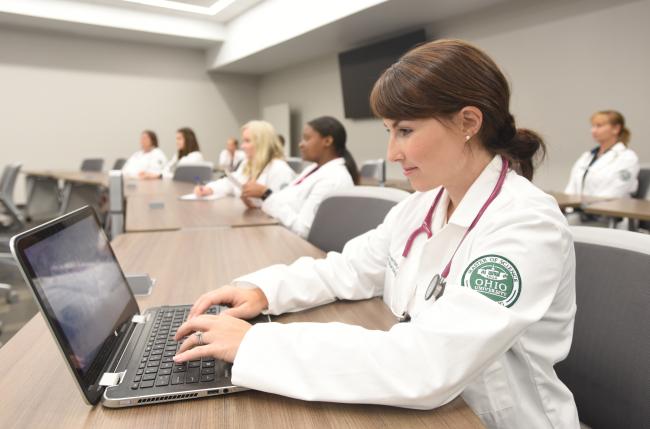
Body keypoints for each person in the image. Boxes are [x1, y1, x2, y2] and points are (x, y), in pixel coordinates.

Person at [174, 39, 579, 428]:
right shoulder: (421, 205)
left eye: (405, 131)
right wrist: (266, 291)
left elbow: (429, 364)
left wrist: (256, 345)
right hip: (429, 410)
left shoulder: (526, 223)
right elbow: (349, 269)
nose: (391, 153)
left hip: (494, 419)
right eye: (390, 131)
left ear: (468, 122)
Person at [240, 116, 358, 238]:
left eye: (306, 139)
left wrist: (266, 195)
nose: (300, 144)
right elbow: (287, 201)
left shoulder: (332, 179)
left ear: (327, 141)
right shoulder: (314, 169)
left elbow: (304, 231)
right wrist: (260, 201)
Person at [194, 121, 294, 206]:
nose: (242, 146)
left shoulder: (280, 169)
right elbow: (231, 182)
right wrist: (209, 189)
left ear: (262, 143)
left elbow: (282, 207)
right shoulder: (247, 164)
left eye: (247, 141)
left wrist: (258, 201)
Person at [565, 110, 639, 197]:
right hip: (578, 208)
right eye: (593, 126)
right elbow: (571, 188)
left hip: (609, 209)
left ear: (616, 129)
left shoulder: (628, 158)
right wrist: (567, 207)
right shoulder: (586, 156)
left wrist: (585, 207)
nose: (593, 130)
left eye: (599, 126)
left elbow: (615, 192)